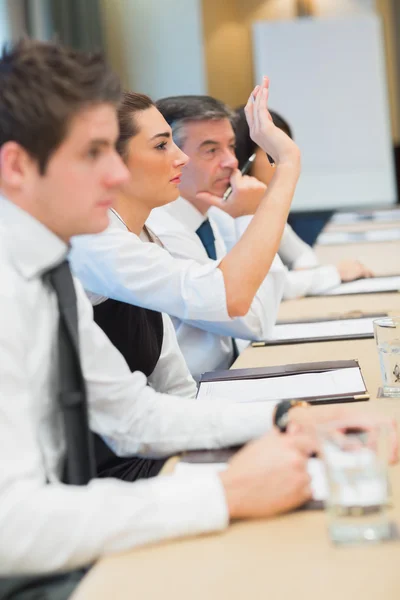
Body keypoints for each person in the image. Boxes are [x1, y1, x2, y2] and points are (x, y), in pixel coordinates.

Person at [0, 40, 334, 598]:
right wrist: (222, 495)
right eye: (93, 154)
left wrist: (285, 417)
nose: (115, 174)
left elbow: (134, 414)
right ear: (16, 166)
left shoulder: (48, 266)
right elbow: (12, 526)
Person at [71, 92, 293, 381]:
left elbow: (173, 382)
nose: (181, 158)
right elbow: (232, 298)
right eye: (162, 145)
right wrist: (287, 166)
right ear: (112, 163)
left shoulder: (143, 234)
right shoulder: (99, 243)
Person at [224, 106, 373, 299]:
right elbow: (275, 287)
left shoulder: (264, 203)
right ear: (244, 157)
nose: (283, 162)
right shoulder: (230, 209)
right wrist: (333, 273)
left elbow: (303, 255)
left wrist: (307, 277)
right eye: (272, 152)